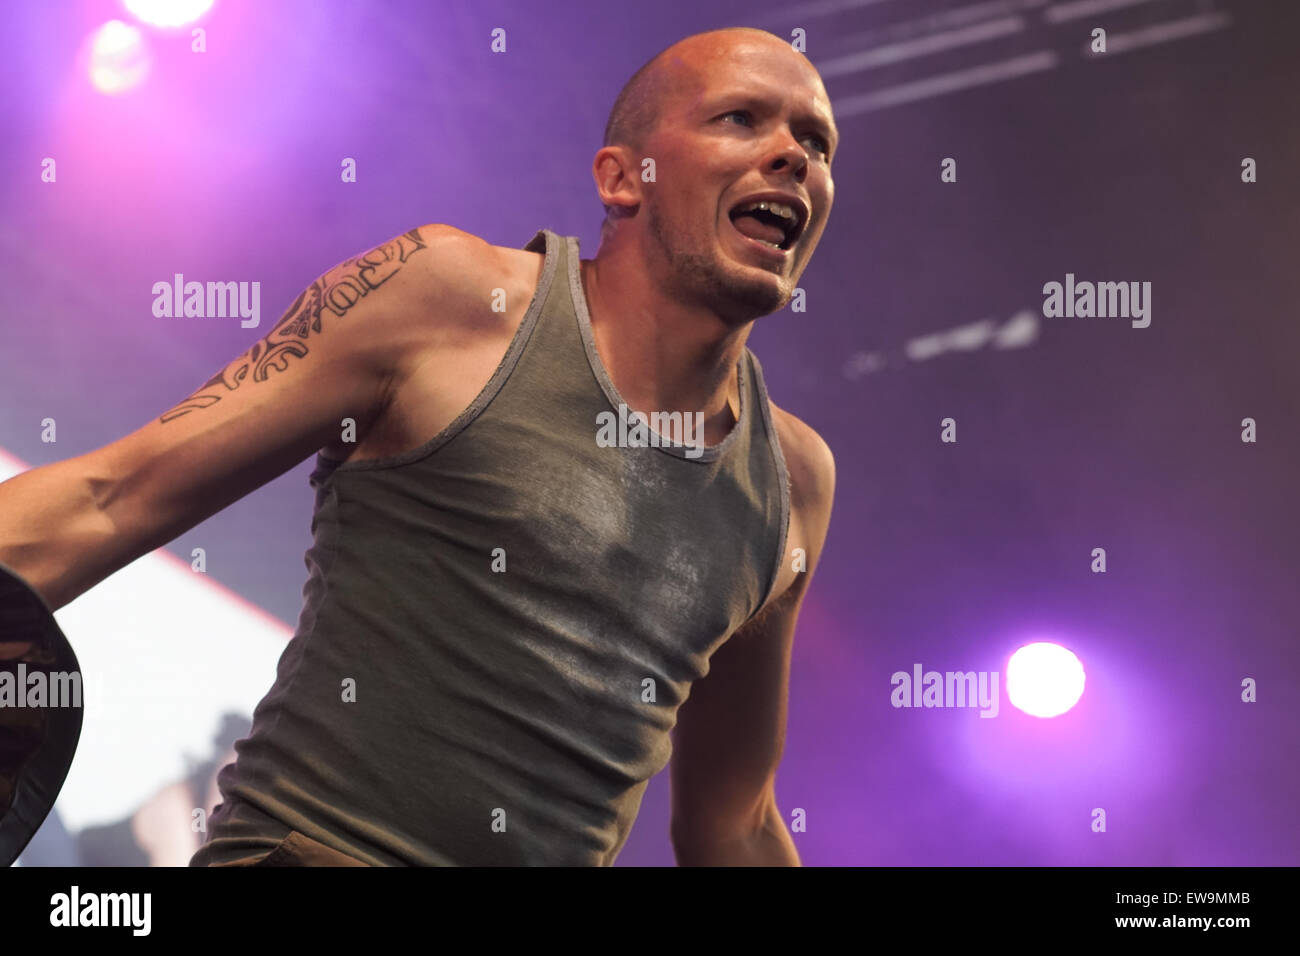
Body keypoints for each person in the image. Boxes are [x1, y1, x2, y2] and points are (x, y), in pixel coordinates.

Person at [0, 25, 837, 866]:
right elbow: (107, 498)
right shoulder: (452, 300)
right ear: (623, 178)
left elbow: (733, 821)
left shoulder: (792, 481)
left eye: (814, 140)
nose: (792, 156)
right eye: (740, 119)